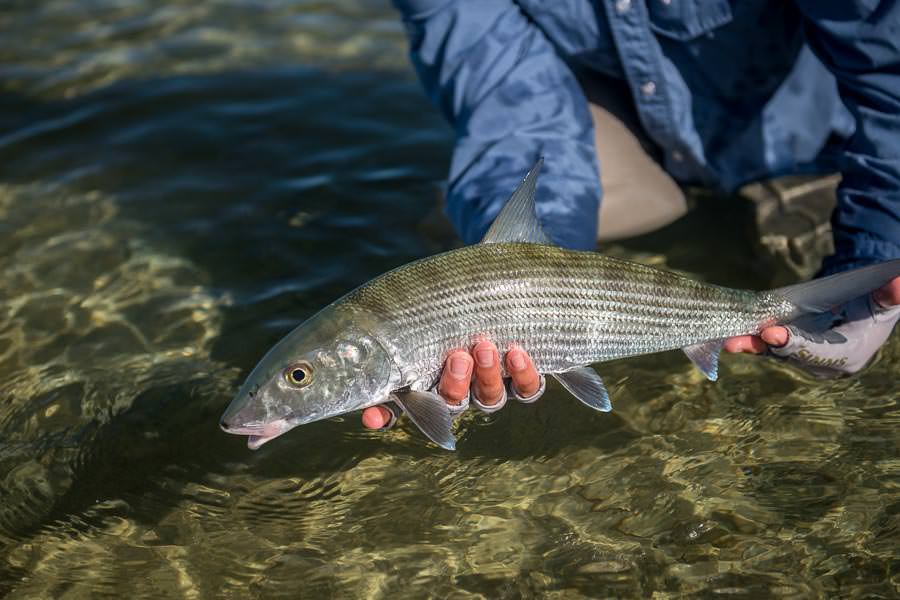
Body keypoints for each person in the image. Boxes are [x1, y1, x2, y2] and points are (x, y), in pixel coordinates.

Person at [363, 0, 900, 430]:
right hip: (629, 135)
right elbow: (509, 101)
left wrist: (875, 248)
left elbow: (889, 71)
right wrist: (525, 290)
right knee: (449, 219)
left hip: (814, 138)